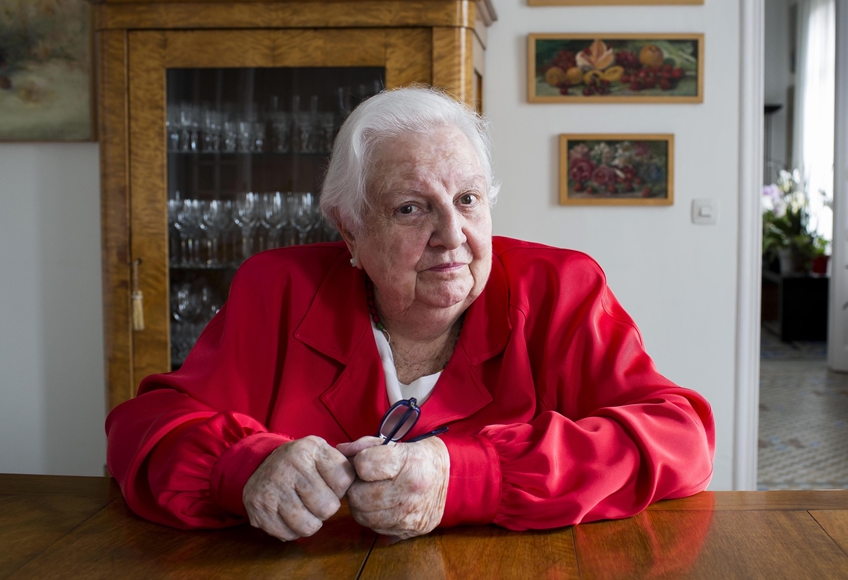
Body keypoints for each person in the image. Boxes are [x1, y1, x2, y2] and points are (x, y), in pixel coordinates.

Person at [105, 87, 714, 542]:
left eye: (468, 200)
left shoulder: (560, 287)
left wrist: (470, 478)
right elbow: (141, 431)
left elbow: (681, 438)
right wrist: (243, 468)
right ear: (349, 229)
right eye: (410, 209)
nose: (453, 235)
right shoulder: (279, 288)